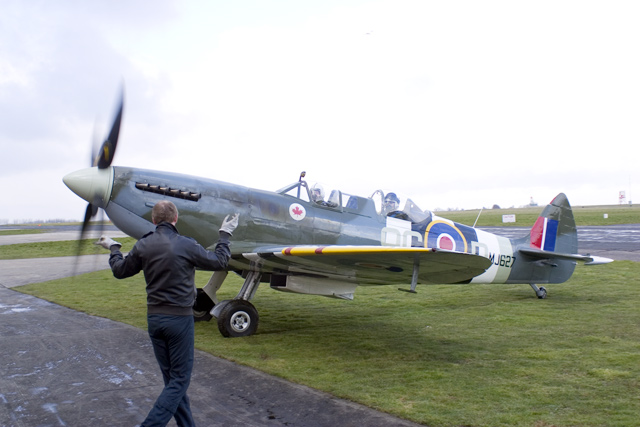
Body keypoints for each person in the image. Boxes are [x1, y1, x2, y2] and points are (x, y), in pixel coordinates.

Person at [95, 200, 239, 427]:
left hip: (155, 320)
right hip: (179, 321)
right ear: (176, 218)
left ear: (153, 220)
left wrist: (114, 250)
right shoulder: (187, 244)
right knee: (180, 380)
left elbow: (120, 271)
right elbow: (220, 261)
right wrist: (224, 235)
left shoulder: (143, 245)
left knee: (172, 381)